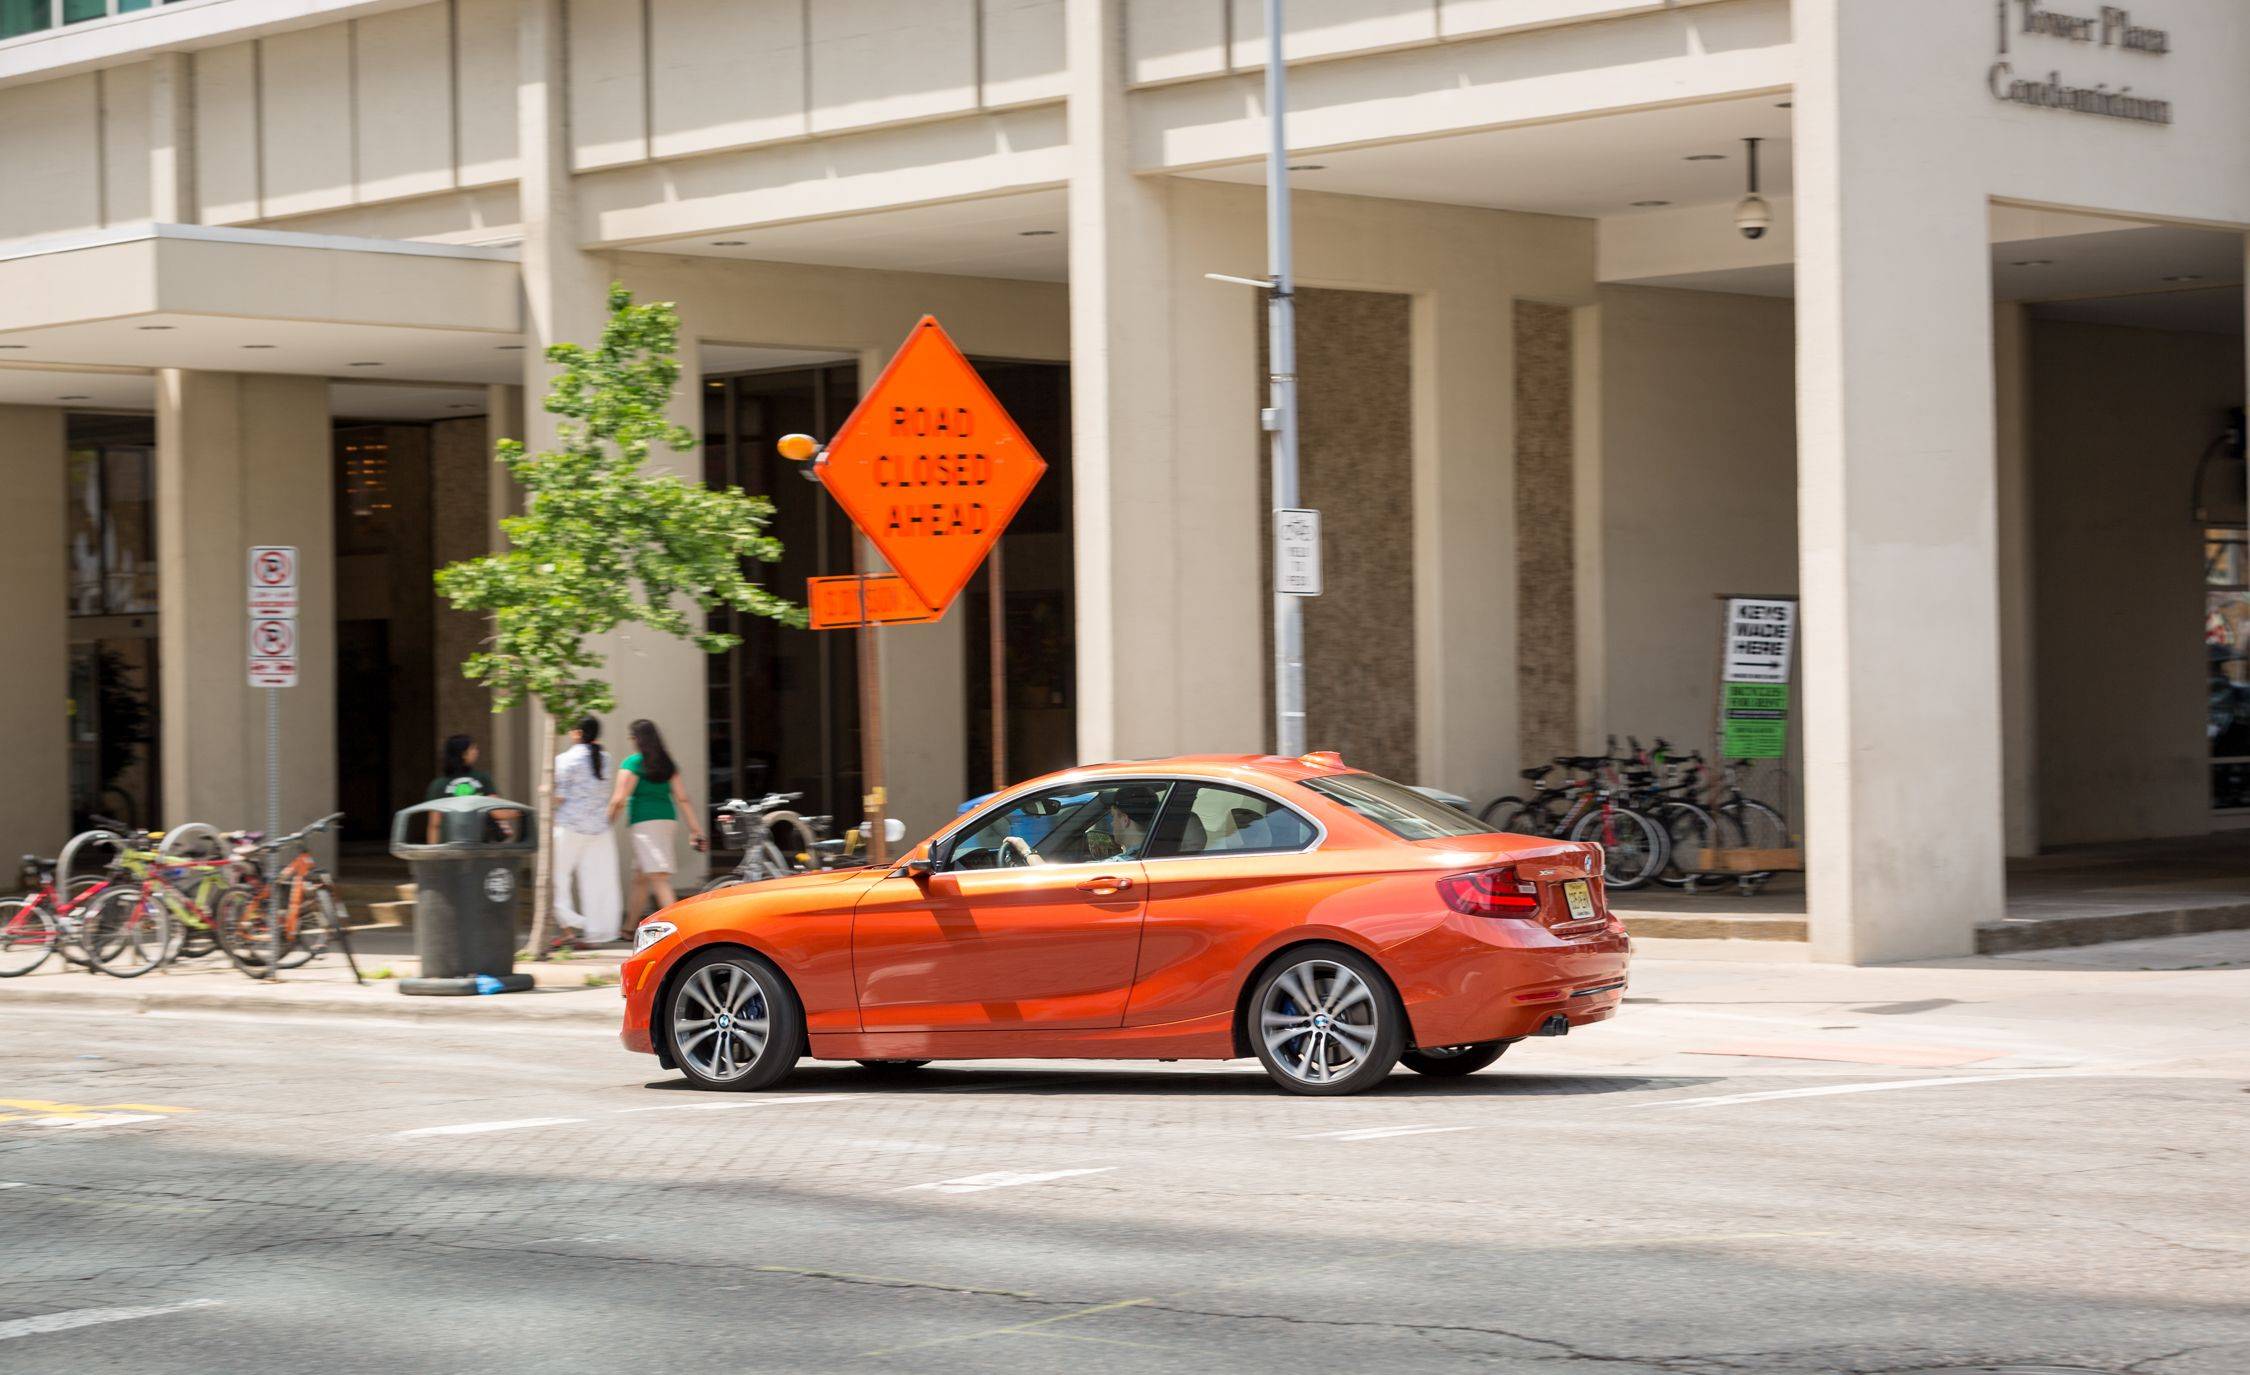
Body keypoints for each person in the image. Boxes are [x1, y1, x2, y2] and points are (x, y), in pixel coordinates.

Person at [609, 719, 704, 922]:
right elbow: (682, 798)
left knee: (658, 877)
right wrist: (695, 829)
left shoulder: (633, 763)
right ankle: (629, 928)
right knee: (641, 878)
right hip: (667, 821)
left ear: (636, 739)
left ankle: (679, 927)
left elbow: (619, 799)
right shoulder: (668, 764)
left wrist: (607, 822)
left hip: (645, 824)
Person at [551, 717, 622, 946]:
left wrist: (546, 792)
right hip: (599, 828)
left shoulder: (565, 760)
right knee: (597, 881)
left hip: (570, 825)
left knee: (558, 877)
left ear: (577, 733)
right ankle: (597, 932)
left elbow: (560, 797)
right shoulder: (606, 759)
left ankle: (570, 927)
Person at [423, 733, 497, 842]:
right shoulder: (482, 779)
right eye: (473, 748)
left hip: (454, 846)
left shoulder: (439, 785)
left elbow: (434, 825)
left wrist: (433, 850)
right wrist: (520, 812)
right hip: (477, 845)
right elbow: (496, 810)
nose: (476, 752)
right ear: (463, 754)